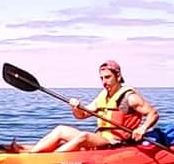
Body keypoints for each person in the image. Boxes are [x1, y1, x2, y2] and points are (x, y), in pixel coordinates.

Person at [29, 60, 159, 153]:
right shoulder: (102, 96)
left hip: (116, 142)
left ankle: (51, 159)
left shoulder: (130, 97)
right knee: (60, 129)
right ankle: (31, 154)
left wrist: (142, 128)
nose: (104, 82)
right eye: (102, 78)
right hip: (101, 138)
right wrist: (75, 107)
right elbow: (82, 115)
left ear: (118, 76)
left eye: (107, 77)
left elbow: (153, 114)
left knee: (84, 136)